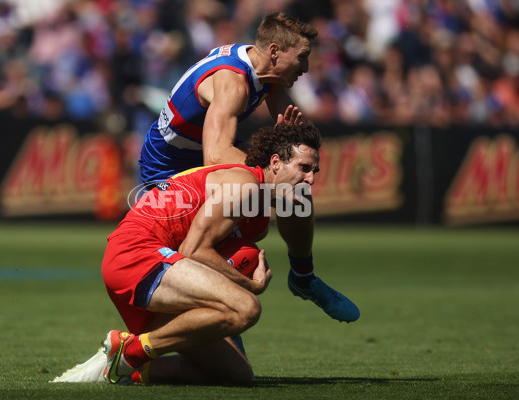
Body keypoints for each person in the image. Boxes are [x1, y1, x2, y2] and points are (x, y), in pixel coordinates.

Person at [137, 11, 359, 323]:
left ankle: (303, 277)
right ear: (274, 51)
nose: (306, 69)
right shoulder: (232, 83)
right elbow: (215, 156)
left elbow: (297, 142)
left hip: (200, 161)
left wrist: (290, 150)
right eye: (303, 58)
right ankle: (208, 313)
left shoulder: (267, 74)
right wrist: (270, 178)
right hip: (168, 172)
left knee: (295, 193)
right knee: (234, 247)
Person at [93, 121, 323, 385]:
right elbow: (195, 251)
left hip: (161, 262)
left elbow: (214, 256)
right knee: (245, 308)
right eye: (304, 168)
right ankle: (130, 352)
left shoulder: (258, 215)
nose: (311, 179)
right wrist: (248, 284)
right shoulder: (245, 186)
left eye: (315, 171)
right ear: (275, 162)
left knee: (236, 375)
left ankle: (125, 372)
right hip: (137, 253)